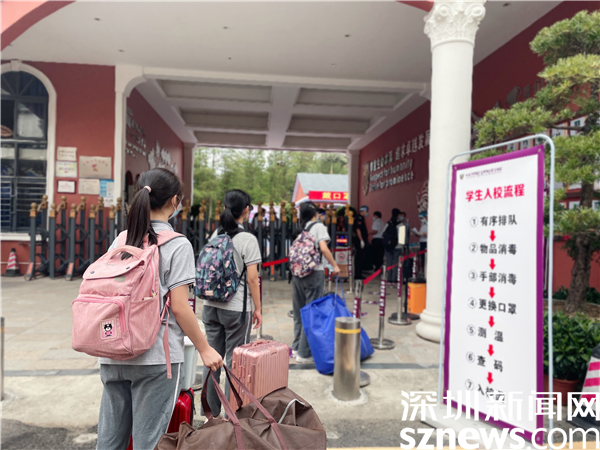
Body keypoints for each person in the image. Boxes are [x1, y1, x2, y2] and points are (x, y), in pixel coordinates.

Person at [97, 168, 223, 450]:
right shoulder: (178, 244)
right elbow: (179, 306)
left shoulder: (121, 239)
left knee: (109, 440)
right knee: (150, 441)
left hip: (113, 350)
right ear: (174, 201)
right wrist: (205, 349)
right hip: (155, 357)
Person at [201, 189, 262, 419]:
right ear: (246, 210)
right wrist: (258, 309)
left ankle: (210, 414)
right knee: (236, 364)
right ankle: (231, 416)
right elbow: (253, 279)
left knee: (212, 361)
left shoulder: (215, 235)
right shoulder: (248, 239)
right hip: (236, 310)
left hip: (210, 307)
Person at [292, 202, 340, 363]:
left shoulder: (300, 229)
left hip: (298, 274)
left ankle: (296, 347)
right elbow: (324, 249)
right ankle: (304, 354)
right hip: (314, 273)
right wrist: (334, 265)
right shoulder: (318, 227)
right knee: (311, 313)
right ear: (315, 214)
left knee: (299, 312)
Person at [384, 208, 403, 283]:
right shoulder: (400, 224)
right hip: (397, 247)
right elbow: (402, 238)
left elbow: (383, 233)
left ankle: (388, 279)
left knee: (388, 263)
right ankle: (394, 280)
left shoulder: (388, 223)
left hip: (388, 246)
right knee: (396, 263)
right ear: (398, 215)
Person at [353, 205, 369, 280]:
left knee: (361, 258)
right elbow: (358, 229)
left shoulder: (361, 218)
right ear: (364, 210)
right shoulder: (359, 218)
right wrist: (361, 240)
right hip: (360, 241)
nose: (367, 212)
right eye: (367, 211)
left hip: (361, 240)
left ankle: (359, 274)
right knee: (359, 258)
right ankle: (357, 275)